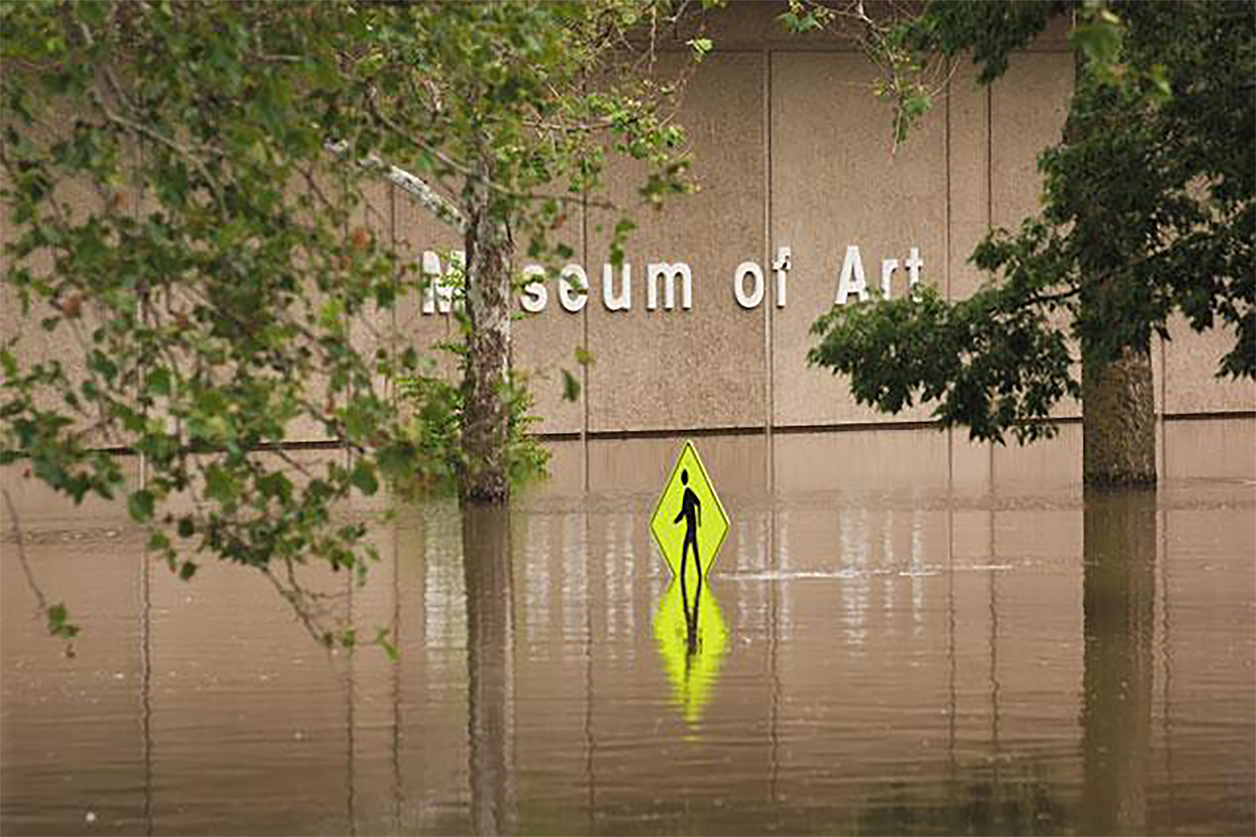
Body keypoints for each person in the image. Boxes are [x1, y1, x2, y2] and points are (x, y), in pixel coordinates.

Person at [674, 468, 702, 625]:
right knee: (692, 553)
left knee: (686, 553)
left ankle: (683, 576)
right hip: (691, 529)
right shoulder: (688, 493)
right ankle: (695, 575)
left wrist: (698, 521)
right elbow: (696, 504)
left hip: (690, 529)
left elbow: (687, 509)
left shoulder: (687, 492)